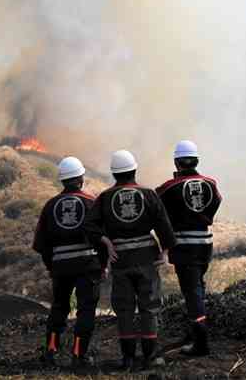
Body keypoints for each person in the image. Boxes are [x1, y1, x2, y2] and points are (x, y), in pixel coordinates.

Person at [84, 150, 176, 371]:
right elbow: (164, 226)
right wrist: (163, 251)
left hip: (121, 261)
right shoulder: (149, 194)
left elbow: (89, 226)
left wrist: (105, 241)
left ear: (114, 174)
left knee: (124, 310)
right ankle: (150, 357)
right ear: (134, 170)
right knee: (149, 307)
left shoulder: (105, 198)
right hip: (147, 259)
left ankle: (127, 359)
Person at [33, 157, 104, 370]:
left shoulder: (50, 205)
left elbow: (41, 243)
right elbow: (102, 238)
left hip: (61, 267)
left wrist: (51, 266)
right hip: (87, 266)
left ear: (62, 181)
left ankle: (51, 352)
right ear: (81, 178)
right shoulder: (92, 203)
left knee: (59, 308)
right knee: (86, 310)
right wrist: (102, 265)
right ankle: (78, 355)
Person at [156, 140, 222, 357]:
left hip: (185, 246)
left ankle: (200, 343)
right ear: (196, 160)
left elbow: (156, 207)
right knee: (198, 287)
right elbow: (217, 201)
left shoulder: (169, 188)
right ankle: (193, 333)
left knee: (191, 290)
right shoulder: (210, 184)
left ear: (176, 162)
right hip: (205, 243)